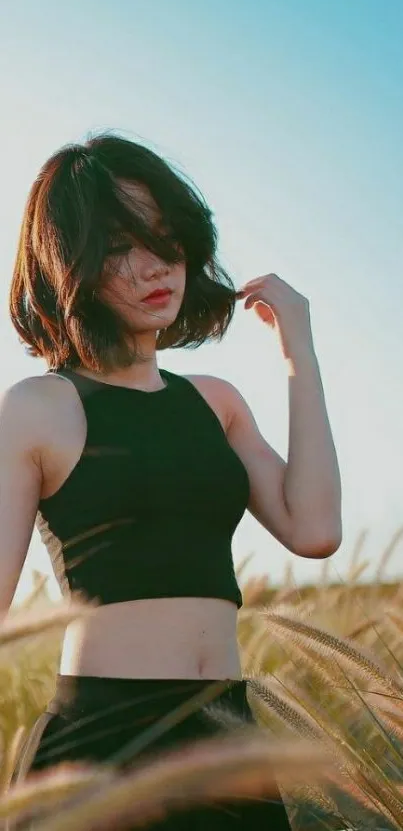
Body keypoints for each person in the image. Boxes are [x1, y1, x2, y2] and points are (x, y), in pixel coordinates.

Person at [1, 132, 341, 829]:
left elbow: (314, 530)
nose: (154, 265)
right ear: (71, 264)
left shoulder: (215, 403)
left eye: (166, 238)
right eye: (120, 245)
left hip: (226, 737)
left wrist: (297, 351)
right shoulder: (40, 407)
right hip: (102, 748)